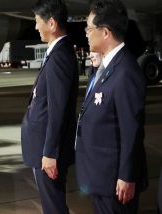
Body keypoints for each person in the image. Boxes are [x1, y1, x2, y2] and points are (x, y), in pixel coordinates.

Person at [75, 0, 148, 213]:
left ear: (105, 32)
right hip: (102, 177)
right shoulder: (108, 67)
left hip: (115, 183)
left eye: (89, 28)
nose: (86, 33)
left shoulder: (125, 72)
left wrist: (127, 175)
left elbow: (131, 130)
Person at [20, 0, 79, 213]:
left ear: (51, 23)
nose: (36, 27)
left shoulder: (60, 57)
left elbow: (58, 110)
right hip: (43, 148)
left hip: (47, 152)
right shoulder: (56, 53)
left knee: (53, 207)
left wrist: (50, 153)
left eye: (38, 22)